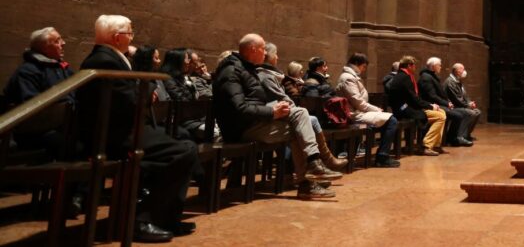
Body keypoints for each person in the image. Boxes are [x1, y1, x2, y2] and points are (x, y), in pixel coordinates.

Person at [77, 15, 199, 243]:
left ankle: (165, 217)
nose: (132, 37)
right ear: (117, 37)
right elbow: (128, 101)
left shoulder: (110, 58)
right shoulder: (104, 61)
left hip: (121, 130)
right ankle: (140, 219)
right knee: (182, 152)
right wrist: (147, 90)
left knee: (188, 147)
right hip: (112, 136)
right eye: (130, 32)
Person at [213, 34, 341, 200]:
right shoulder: (232, 71)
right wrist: (272, 112)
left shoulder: (246, 68)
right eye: (263, 49)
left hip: (254, 122)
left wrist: (276, 108)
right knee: (299, 127)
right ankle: (308, 179)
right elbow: (239, 108)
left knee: (301, 114)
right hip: (240, 129)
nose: (265, 53)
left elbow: (253, 101)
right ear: (253, 49)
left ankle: (313, 166)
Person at [255, 43, 347, 172]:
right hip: (269, 116)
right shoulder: (266, 76)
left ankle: (316, 164)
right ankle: (313, 164)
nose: (277, 57)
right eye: (275, 54)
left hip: (276, 113)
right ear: (268, 56)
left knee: (306, 120)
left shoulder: (271, 75)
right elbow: (282, 97)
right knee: (306, 120)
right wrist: (294, 108)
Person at [3, 27, 75, 154]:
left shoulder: (62, 68)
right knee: (77, 146)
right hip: (35, 133)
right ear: (44, 48)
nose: (63, 43)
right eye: (57, 41)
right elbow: (32, 107)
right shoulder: (28, 72)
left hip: (63, 126)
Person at [336, 53, 400, 167]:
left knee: (388, 120)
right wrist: (376, 110)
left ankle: (381, 155)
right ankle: (382, 157)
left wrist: (375, 110)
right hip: (354, 114)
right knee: (391, 121)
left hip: (359, 112)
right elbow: (358, 102)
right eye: (364, 66)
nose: (364, 69)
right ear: (356, 63)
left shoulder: (351, 76)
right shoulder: (348, 78)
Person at [385, 55, 445, 155]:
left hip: (408, 107)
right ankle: (427, 146)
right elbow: (414, 99)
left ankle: (435, 144)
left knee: (441, 112)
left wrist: (429, 105)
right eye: (414, 65)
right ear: (409, 65)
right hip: (404, 110)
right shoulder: (404, 78)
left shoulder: (403, 76)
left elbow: (414, 98)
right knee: (440, 117)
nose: (415, 67)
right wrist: (430, 106)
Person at [418, 57, 470, 147]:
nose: (440, 67)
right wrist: (446, 103)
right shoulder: (426, 78)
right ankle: (451, 138)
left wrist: (447, 102)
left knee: (461, 114)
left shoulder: (431, 76)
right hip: (431, 105)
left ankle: (452, 137)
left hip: (438, 104)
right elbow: (432, 96)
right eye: (439, 65)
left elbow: (440, 94)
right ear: (433, 66)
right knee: (458, 115)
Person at [443, 62, 481, 142]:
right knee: (470, 113)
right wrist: (468, 105)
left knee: (477, 112)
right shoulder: (450, 82)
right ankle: (459, 136)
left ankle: (466, 135)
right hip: (452, 106)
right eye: (462, 69)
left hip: (460, 105)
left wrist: (470, 103)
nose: (464, 71)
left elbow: (464, 96)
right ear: (456, 71)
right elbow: (456, 99)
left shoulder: (458, 81)